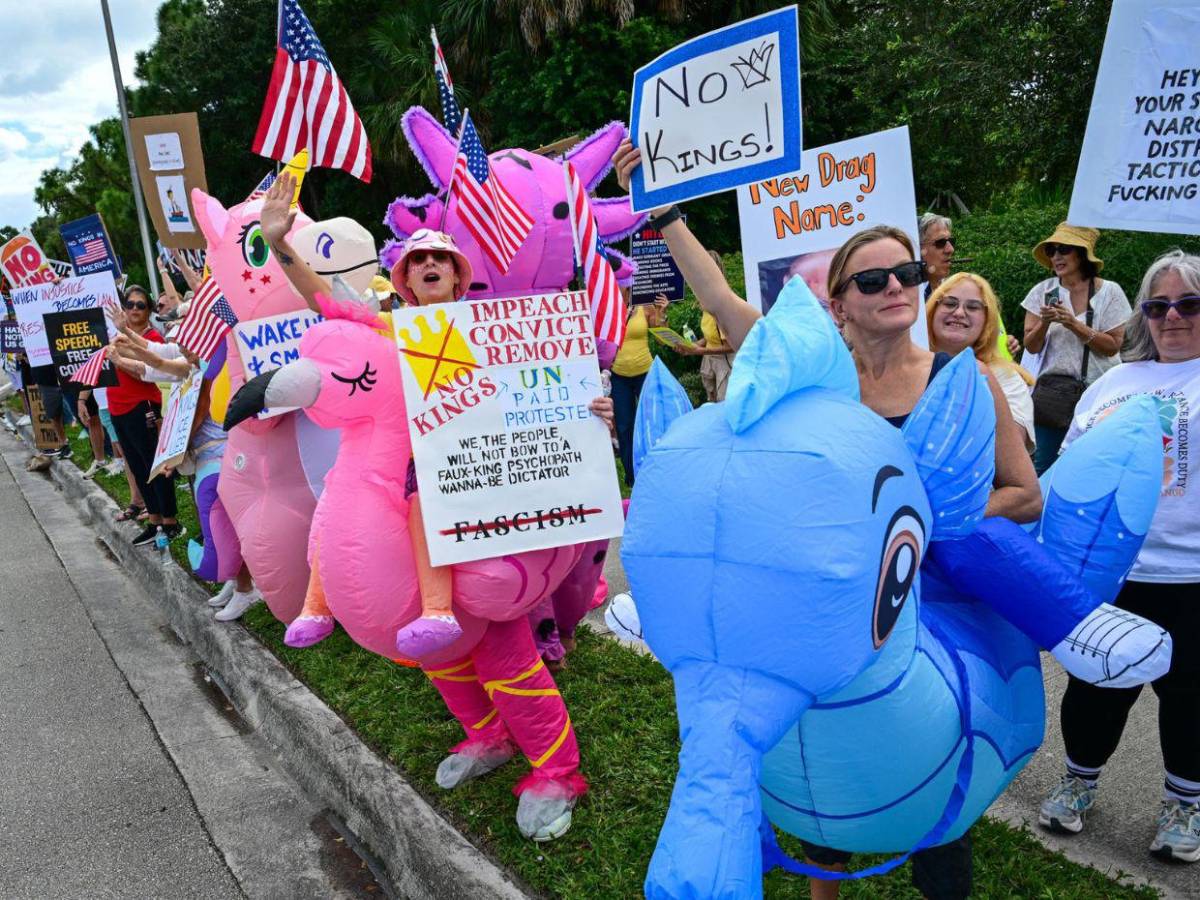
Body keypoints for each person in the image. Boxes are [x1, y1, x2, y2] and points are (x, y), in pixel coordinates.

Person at [613, 141, 1042, 898]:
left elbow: (1024, 495)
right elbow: (721, 304)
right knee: (820, 785)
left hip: (932, 606)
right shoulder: (812, 379)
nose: (895, 287)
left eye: (907, 272)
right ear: (837, 301)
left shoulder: (960, 378)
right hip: (826, 610)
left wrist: (915, 527)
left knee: (938, 810)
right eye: (871, 279)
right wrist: (664, 211)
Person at [1038, 249, 1200, 863]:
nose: (1172, 317)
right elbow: (1070, 470)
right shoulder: (1111, 382)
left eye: (1189, 303)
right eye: (1158, 306)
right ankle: (1079, 783)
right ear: (1142, 316)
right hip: (1109, 573)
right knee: (1094, 685)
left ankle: (1185, 806)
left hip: (1189, 574)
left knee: (1189, 696)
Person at [1021, 224, 1130, 473]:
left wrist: (1072, 323)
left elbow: (1112, 347)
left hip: (1100, 393)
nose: (1056, 256)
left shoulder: (1110, 292)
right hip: (1053, 395)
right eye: (1051, 250)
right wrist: (1045, 321)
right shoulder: (1042, 292)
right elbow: (1032, 346)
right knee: (1044, 467)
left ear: (1082, 254)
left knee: (1096, 466)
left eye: (1064, 249)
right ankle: (1041, 512)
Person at [104, 285, 184, 546]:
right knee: (138, 468)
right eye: (130, 305)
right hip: (117, 407)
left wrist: (118, 356)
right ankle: (154, 520)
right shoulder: (117, 337)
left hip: (142, 406)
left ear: (149, 310)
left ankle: (170, 521)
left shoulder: (153, 339)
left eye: (141, 305)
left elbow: (147, 369)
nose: (135, 309)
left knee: (155, 466)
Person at [928, 272, 1036, 451]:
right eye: (949, 303)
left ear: (988, 320)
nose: (959, 313)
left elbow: (1010, 451)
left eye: (973, 307)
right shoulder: (902, 365)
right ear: (932, 310)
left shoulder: (1006, 378)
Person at [610, 287, 666, 487]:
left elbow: (659, 332)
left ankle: (655, 470)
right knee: (625, 428)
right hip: (619, 376)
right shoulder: (607, 306)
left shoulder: (643, 303)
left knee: (651, 422)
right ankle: (632, 476)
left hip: (644, 372)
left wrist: (661, 311)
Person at [677, 250, 736, 402]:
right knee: (712, 402)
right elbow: (711, 335)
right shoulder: (706, 298)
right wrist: (692, 346)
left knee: (724, 405)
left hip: (725, 363)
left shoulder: (724, 300)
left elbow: (733, 345)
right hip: (710, 360)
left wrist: (699, 350)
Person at [918, 212, 955, 299]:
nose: (950, 249)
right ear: (918, 249)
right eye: (940, 242)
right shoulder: (909, 298)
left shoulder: (955, 291)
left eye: (951, 241)